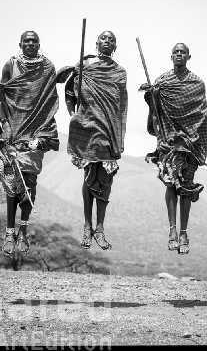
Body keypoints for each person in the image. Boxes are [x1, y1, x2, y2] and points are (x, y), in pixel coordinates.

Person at [0, 31, 60, 257]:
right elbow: (2, 93)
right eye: (26, 41)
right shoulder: (10, 64)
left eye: (34, 40)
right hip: (14, 130)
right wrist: (5, 125)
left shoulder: (47, 67)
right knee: (11, 185)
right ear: (20, 44)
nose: (30, 43)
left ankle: (24, 230)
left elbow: (49, 101)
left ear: (39, 44)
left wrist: (43, 135)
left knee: (29, 186)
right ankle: (10, 233)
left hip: (35, 132)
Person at [55, 31, 128, 251]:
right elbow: (71, 92)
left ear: (115, 46)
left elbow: (121, 105)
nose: (107, 41)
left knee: (105, 178)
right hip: (87, 126)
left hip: (107, 130)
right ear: (96, 43)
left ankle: (100, 228)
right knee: (89, 176)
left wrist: (118, 133)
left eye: (111, 39)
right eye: (103, 39)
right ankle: (87, 226)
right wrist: (76, 74)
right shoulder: (84, 67)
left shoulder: (120, 72)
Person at [140, 43, 207, 254]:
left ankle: (184, 232)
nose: (179, 54)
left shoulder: (197, 83)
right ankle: (172, 230)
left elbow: (201, 115)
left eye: (183, 52)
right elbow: (156, 115)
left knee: (186, 186)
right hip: (168, 142)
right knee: (170, 184)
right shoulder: (162, 82)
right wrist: (152, 98)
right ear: (171, 56)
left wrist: (195, 139)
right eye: (176, 52)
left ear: (189, 56)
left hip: (190, 142)